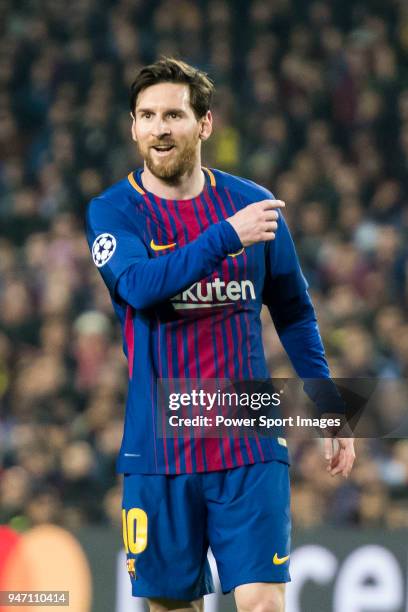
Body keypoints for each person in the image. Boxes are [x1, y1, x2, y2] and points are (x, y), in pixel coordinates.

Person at [85, 57, 355, 612]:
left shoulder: (251, 203)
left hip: (246, 432)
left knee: (262, 603)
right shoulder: (113, 211)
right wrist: (225, 238)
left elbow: (295, 313)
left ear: (204, 124)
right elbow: (138, 286)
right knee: (172, 607)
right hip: (158, 443)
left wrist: (330, 405)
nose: (160, 128)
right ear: (133, 126)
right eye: (147, 115)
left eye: (174, 115)